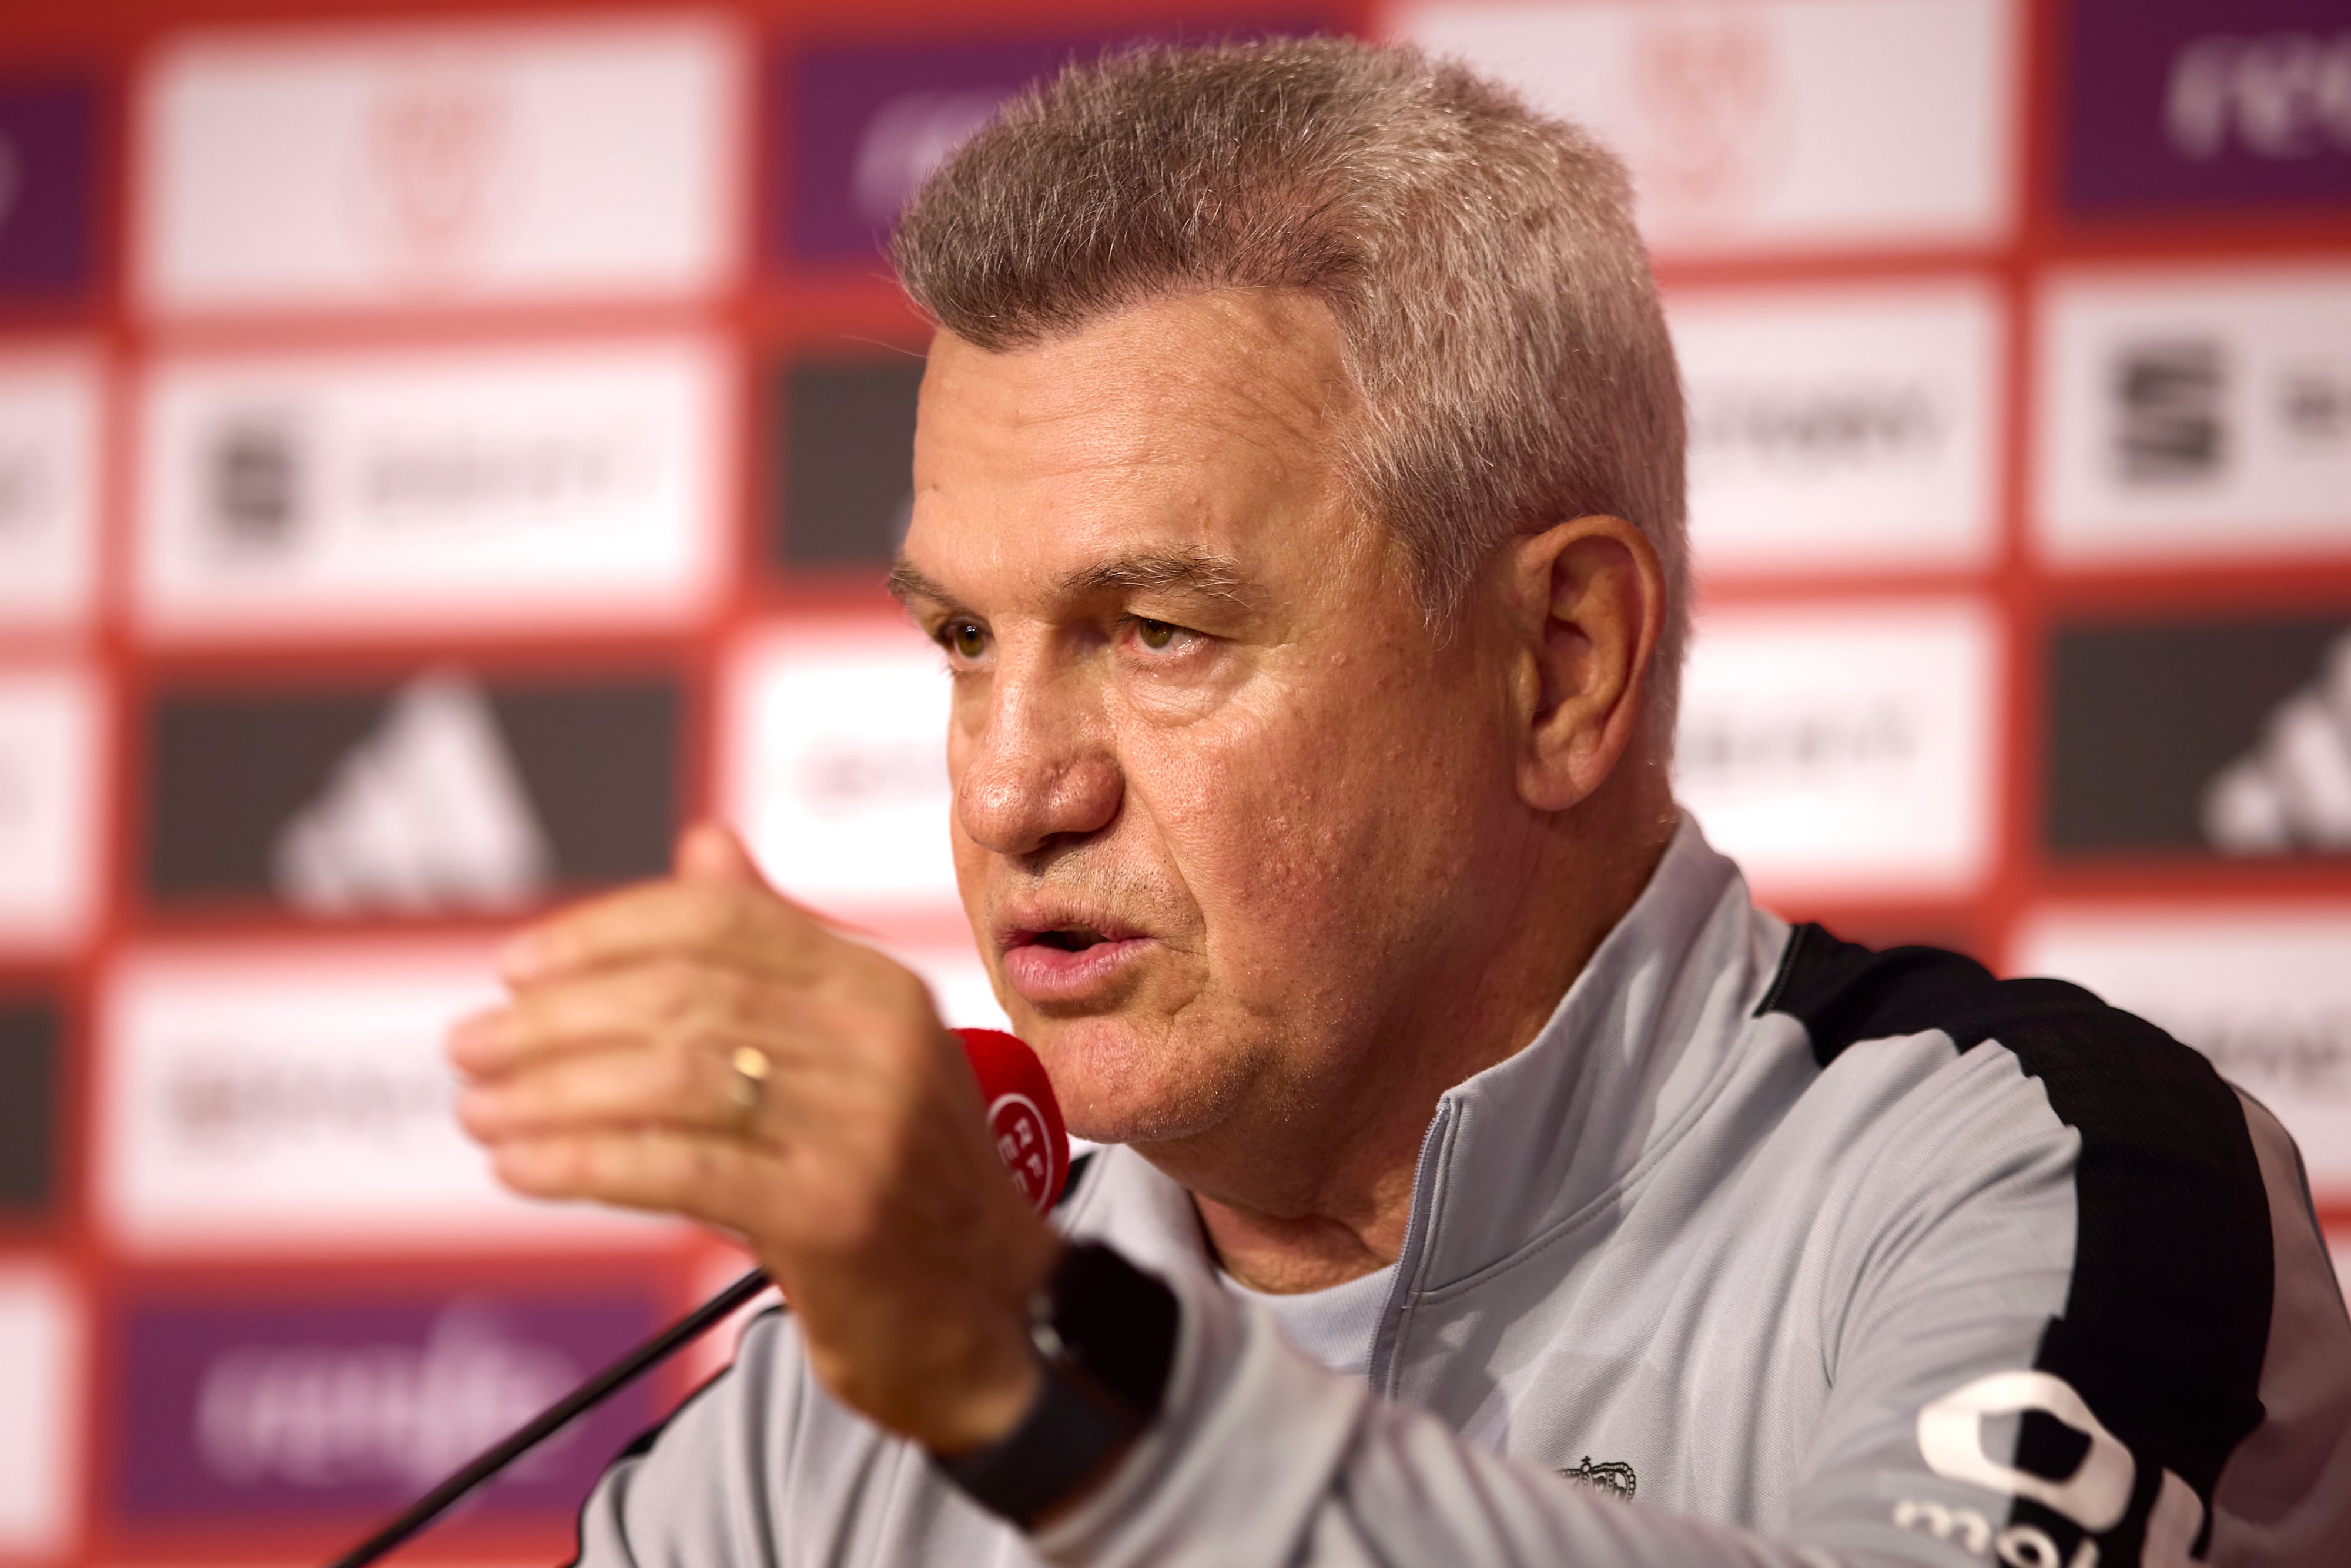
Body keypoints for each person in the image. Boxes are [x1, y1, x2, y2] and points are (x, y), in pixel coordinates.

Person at [446, 36, 2351, 1568]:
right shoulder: (815, 1437)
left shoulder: (2038, 1177)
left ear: (1559, 665)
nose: (1015, 783)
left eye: (1159, 627)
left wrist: (1051, 1401)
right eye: (962, 637)